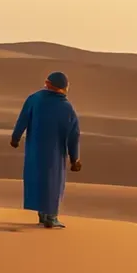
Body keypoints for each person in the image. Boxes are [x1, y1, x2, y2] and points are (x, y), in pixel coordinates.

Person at [10, 71, 82, 228]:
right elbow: (74, 135)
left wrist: (15, 137)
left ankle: (43, 215)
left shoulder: (34, 99)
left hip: (34, 150)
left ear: (48, 83)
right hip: (55, 153)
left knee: (38, 180)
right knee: (53, 182)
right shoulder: (67, 108)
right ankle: (51, 217)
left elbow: (22, 119)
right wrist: (75, 158)